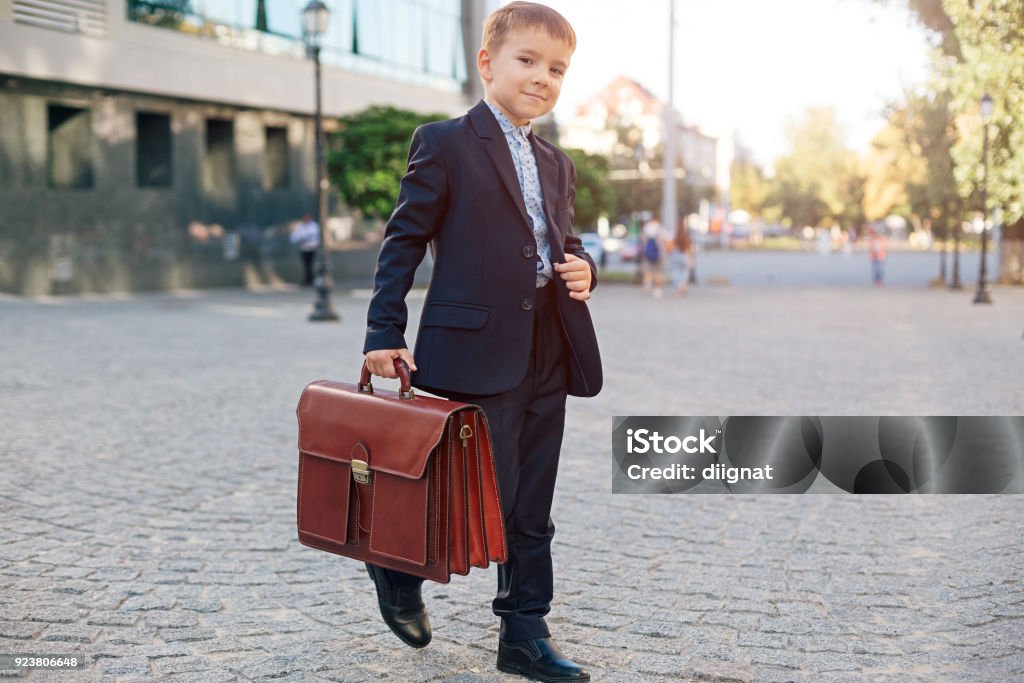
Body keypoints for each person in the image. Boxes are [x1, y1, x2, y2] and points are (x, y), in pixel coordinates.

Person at [360, 3, 600, 681]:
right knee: (464, 490)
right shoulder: (445, 142)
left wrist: (584, 269)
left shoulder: (557, 163)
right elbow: (402, 241)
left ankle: (524, 630)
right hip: (472, 350)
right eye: (528, 61)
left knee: (532, 501)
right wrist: (384, 331)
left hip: (548, 348)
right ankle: (397, 566)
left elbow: (564, 243)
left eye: (557, 69)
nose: (543, 78)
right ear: (488, 63)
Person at [289, 213, 320, 286]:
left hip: (312, 249)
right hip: (303, 249)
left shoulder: (314, 226)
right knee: (306, 265)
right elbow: (293, 238)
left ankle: (311, 279)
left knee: (312, 265)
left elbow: (317, 238)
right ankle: (308, 280)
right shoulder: (299, 227)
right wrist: (300, 240)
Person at [641, 215, 665, 297]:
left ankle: (647, 284)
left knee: (648, 270)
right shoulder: (659, 227)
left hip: (648, 253)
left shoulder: (647, 227)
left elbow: (643, 240)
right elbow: (661, 241)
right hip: (658, 253)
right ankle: (657, 290)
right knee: (658, 272)